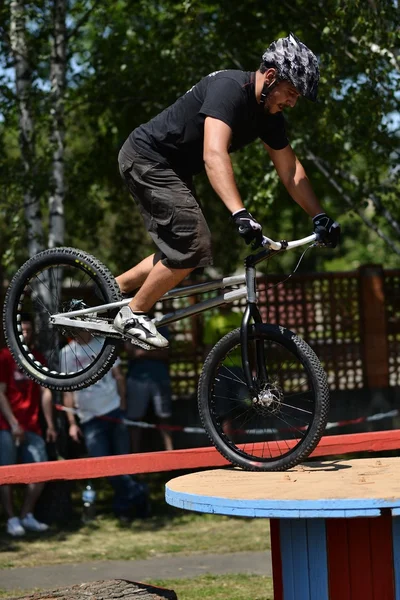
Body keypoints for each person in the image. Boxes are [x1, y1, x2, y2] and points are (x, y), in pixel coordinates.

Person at [113, 33, 341, 349]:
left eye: (297, 97)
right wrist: (240, 213)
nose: (292, 101)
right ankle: (133, 313)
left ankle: (113, 289)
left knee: (182, 249)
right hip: (147, 157)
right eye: (290, 92)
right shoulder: (230, 89)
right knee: (194, 243)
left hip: (172, 168)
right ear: (271, 76)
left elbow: (290, 171)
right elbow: (213, 153)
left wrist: (320, 216)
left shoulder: (270, 116)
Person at [61, 330, 150, 522]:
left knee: (122, 464)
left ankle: (123, 510)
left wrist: (123, 406)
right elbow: (68, 390)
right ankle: (139, 493)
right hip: (89, 418)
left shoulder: (104, 344)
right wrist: (71, 423)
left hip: (113, 411)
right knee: (103, 465)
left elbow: (118, 376)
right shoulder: (66, 353)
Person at [0, 317, 57, 537]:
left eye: (28, 330)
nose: (25, 333)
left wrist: (50, 424)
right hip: (6, 425)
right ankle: (11, 519)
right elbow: (1, 393)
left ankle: (26, 515)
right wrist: (13, 424)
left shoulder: (37, 358)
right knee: (6, 473)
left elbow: (45, 392)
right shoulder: (4, 357)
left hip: (32, 425)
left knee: (40, 471)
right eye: (21, 330)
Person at [125, 324, 173, 453]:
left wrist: (143, 352)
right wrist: (153, 350)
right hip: (137, 378)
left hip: (159, 377)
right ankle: (134, 459)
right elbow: (130, 351)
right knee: (135, 420)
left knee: (164, 418)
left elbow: (165, 352)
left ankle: (170, 454)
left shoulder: (162, 325)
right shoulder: (131, 325)